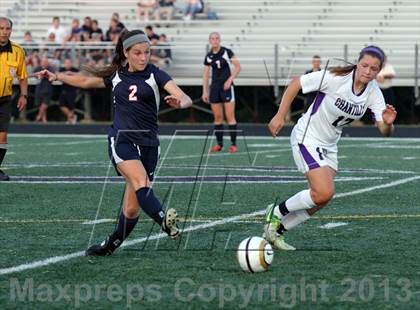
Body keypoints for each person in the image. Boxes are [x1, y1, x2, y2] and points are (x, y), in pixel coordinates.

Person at [35, 29, 192, 256]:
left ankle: (110, 245)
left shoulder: (155, 74)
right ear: (126, 53)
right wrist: (57, 76)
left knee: (131, 208)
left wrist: (181, 103)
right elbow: (87, 81)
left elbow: (183, 96)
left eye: (147, 52)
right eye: (137, 53)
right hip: (122, 139)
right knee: (140, 180)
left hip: (149, 144)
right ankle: (164, 220)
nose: (143, 57)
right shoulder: (116, 75)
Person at [264, 46, 397, 250]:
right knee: (324, 192)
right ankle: (276, 212)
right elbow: (296, 83)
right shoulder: (335, 77)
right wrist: (280, 115)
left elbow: (384, 130)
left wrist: (387, 123)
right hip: (307, 136)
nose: (367, 71)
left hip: (330, 145)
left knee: (321, 199)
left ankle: (277, 232)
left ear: (378, 71)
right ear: (357, 62)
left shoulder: (373, 92)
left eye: (373, 68)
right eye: (364, 65)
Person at [202, 32, 241, 153]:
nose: (215, 40)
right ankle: (219, 144)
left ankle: (234, 144)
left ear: (220, 40)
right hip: (215, 88)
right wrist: (205, 91)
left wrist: (229, 80)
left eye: (216, 38)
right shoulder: (208, 56)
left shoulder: (227, 52)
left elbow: (238, 67)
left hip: (227, 88)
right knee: (218, 118)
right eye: (212, 39)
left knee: (230, 117)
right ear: (210, 41)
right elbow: (206, 74)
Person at [0, 17, 28, 181]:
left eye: (7, 29)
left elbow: (22, 77)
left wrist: (24, 95)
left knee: (2, 136)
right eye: (1, 28)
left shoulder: (18, 51)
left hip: (5, 99)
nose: (4, 32)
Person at [33, 57, 56, 123]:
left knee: (45, 104)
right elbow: (34, 74)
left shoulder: (51, 68)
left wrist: (45, 75)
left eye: (45, 62)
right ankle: (44, 119)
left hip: (47, 89)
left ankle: (39, 116)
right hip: (39, 88)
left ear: (48, 63)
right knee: (40, 105)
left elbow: (54, 76)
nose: (44, 63)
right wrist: (39, 75)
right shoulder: (38, 68)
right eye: (43, 62)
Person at [58, 58, 79, 124]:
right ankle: (72, 116)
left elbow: (80, 75)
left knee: (71, 106)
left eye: (69, 63)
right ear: (64, 64)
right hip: (64, 89)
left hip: (72, 89)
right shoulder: (62, 69)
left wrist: (71, 73)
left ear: (71, 64)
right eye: (66, 63)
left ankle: (70, 119)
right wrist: (65, 73)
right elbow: (57, 74)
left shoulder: (74, 70)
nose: (68, 64)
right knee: (61, 105)